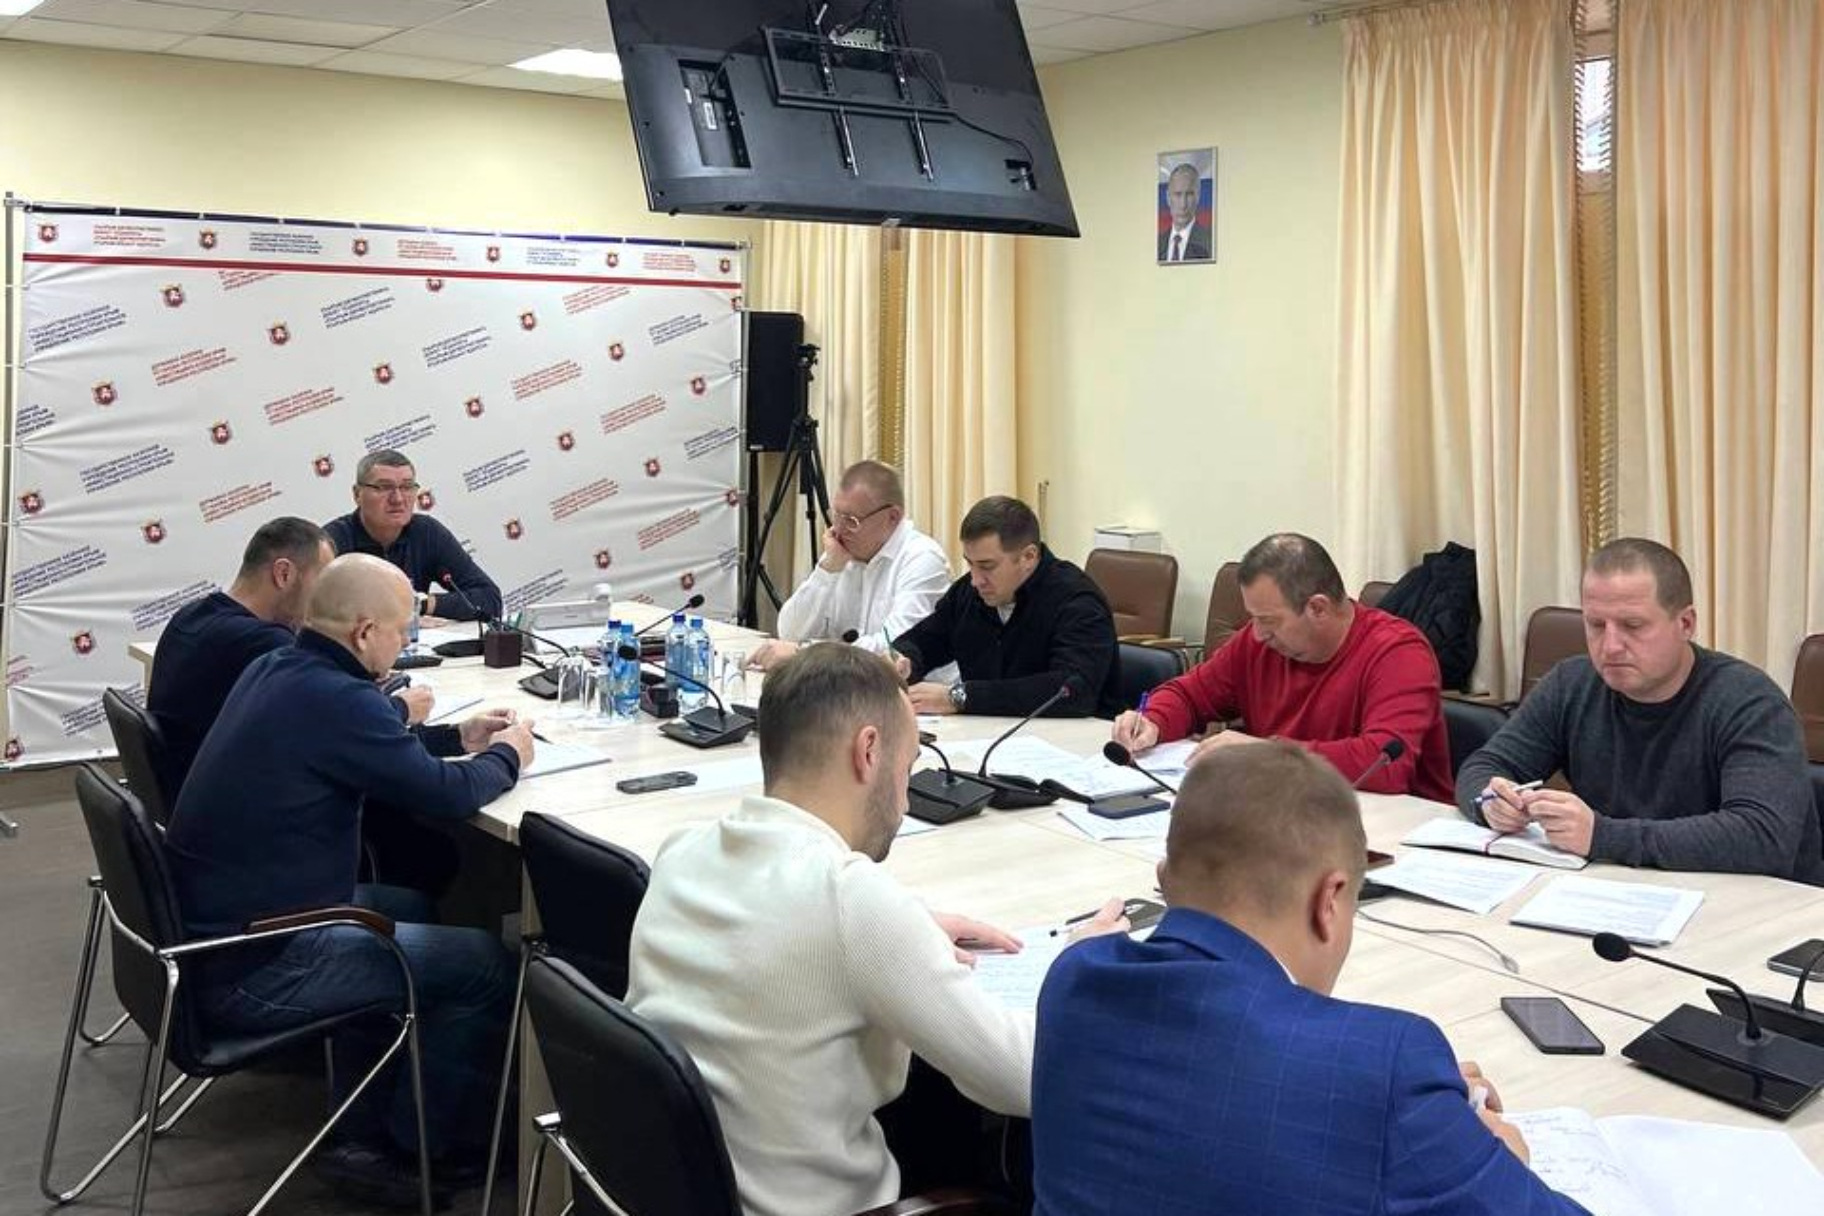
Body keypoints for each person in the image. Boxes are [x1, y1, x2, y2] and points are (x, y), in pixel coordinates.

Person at [626, 645, 1125, 1216]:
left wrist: (910, 926)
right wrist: (1082, 967)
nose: (906, 798)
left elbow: (793, 936)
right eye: (908, 766)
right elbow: (1027, 1078)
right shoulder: (851, 901)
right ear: (868, 752)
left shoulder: (683, 851)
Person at [1032, 742, 1592, 1216]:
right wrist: (1498, 1157)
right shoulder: (1389, 1061)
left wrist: (1425, 1111)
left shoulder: (1075, 977)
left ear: (1164, 879)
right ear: (1330, 900)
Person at [165, 554, 535, 1207]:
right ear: (365, 633)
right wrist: (509, 755)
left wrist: (457, 736)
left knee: (409, 903)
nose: (405, 643)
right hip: (258, 964)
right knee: (484, 965)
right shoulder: (340, 699)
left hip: (219, 932)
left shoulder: (279, 667)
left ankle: (367, 1125)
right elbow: (448, 796)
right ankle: (418, 1149)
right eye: (402, 631)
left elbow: (362, 742)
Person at [1458, 538, 1821, 884]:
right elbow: (1484, 766)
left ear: (1686, 624)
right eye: (1596, 625)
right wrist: (1489, 802)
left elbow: (1763, 837)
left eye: (1632, 626)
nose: (1611, 646)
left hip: (1759, 907)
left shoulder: (1749, 702)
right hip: (1622, 889)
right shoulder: (1571, 684)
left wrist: (1603, 836)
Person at [1111, 533, 1452, 800]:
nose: (1258, 634)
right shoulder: (1258, 643)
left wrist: (1270, 755)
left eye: (1268, 621)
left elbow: (1385, 765)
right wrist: (1154, 720)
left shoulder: (1397, 652)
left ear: (1318, 608)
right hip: (1288, 813)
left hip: (1395, 832)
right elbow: (1190, 694)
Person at [890, 496, 1122, 718]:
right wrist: (903, 660)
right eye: (970, 564)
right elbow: (925, 640)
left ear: (1029, 557)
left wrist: (960, 697)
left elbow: (1072, 692)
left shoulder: (1078, 601)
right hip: (986, 734)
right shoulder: (969, 593)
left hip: (1078, 738)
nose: (976, 580)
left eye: (987, 566)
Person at [748, 461, 950, 673]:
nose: (838, 529)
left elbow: (895, 650)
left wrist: (804, 652)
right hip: (848, 684)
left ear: (892, 517)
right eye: (836, 515)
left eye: (851, 521)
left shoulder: (923, 559)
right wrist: (827, 570)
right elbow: (790, 632)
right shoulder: (841, 552)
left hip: (914, 689)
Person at [324, 448, 502, 622]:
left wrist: (420, 604)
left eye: (407, 487)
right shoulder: (330, 542)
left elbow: (490, 599)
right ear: (357, 494)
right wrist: (398, 615)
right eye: (384, 487)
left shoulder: (427, 532)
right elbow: (317, 615)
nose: (398, 499)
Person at [1157, 162, 1212, 263]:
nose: (1183, 204)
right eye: (1178, 195)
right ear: (1168, 198)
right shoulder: (1158, 244)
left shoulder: (1209, 243)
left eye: (1189, 194)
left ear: (1198, 197)